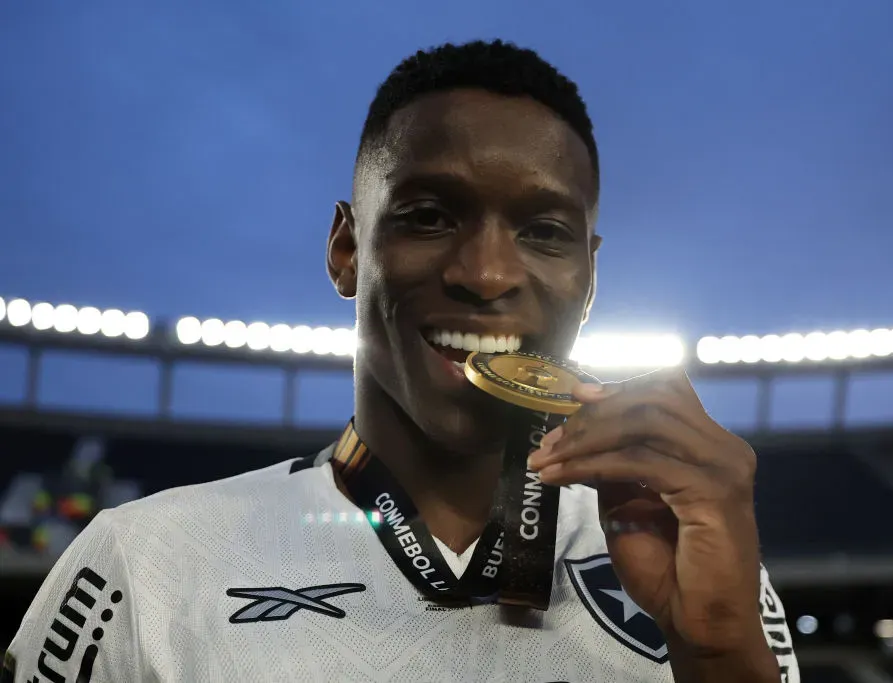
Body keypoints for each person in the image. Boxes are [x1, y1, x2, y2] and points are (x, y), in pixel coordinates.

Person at [3, 40, 799, 682]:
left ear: (589, 279)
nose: (486, 274)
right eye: (429, 215)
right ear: (347, 248)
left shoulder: (694, 566)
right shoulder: (142, 565)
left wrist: (721, 655)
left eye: (544, 232)